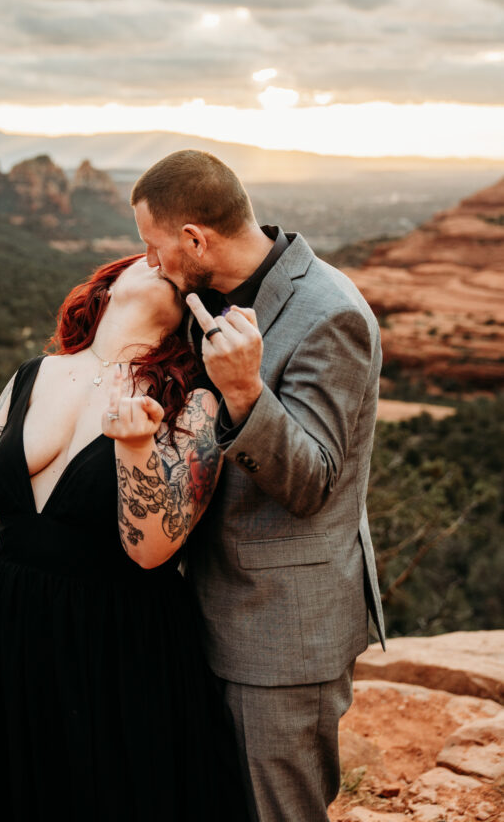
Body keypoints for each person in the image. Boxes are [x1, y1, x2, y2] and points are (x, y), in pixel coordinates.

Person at [0, 253, 250, 822]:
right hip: (11, 633)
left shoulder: (194, 398)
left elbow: (154, 549)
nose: (163, 264)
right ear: (107, 286)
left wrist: (136, 451)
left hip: (120, 643)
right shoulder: (31, 377)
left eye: (179, 273)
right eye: (148, 258)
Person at [131, 150, 386, 822]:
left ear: (194, 238)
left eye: (154, 247)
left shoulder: (331, 314)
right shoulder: (205, 296)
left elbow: (313, 482)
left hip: (281, 628)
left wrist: (244, 390)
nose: (151, 263)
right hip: (206, 607)